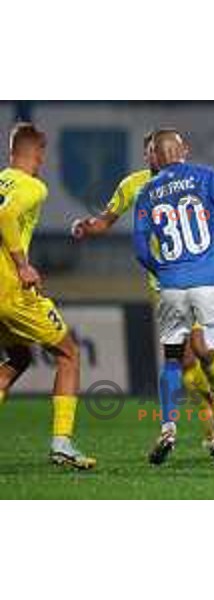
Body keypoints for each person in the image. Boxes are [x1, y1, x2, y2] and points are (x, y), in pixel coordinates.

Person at [70, 132, 214, 444]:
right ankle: (213, 430)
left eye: (162, 149)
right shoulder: (133, 185)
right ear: (146, 156)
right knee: (187, 361)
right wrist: (88, 226)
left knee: (204, 346)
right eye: (151, 151)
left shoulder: (196, 180)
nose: (157, 155)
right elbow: (106, 220)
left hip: (197, 276)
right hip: (162, 285)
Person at [133, 129, 214, 466]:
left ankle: (168, 428)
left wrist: (161, 270)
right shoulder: (209, 176)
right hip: (211, 278)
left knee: (172, 359)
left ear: (155, 156)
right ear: (184, 149)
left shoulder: (146, 192)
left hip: (170, 285)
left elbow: (140, 247)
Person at [0, 123, 95, 469]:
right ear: (38, 152)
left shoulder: (1, 180)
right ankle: (62, 443)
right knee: (68, 353)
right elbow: (6, 214)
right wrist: (22, 265)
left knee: (19, 358)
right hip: (11, 290)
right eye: (43, 153)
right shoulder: (33, 186)